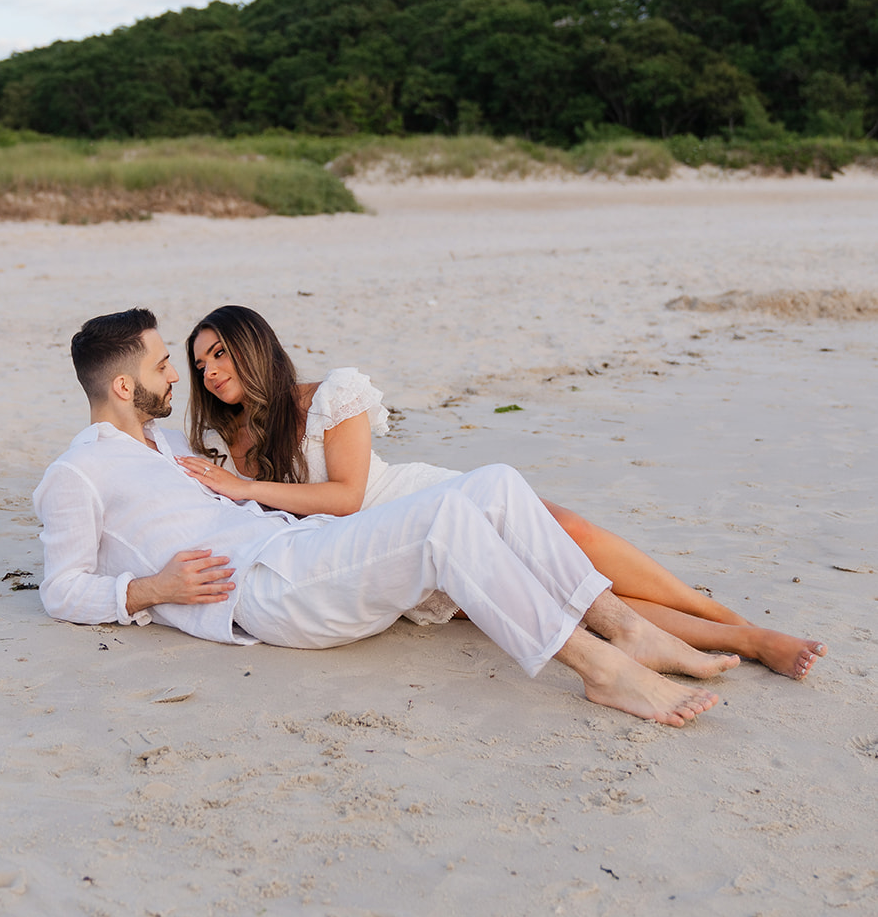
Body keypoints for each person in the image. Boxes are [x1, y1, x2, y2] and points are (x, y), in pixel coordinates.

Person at [36, 307, 736, 728]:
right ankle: (597, 668)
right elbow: (61, 585)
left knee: (493, 483)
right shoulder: (77, 472)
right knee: (444, 524)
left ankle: (626, 630)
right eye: (165, 365)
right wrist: (151, 591)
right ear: (125, 385)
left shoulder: (164, 444)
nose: (177, 377)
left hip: (306, 550)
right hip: (264, 589)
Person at [179, 305, 825, 681]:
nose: (209, 371)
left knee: (566, 535)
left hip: (408, 497)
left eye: (218, 354)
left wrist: (246, 486)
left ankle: (734, 626)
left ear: (252, 346)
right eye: (200, 363)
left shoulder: (327, 397)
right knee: (554, 592)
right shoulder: (233, 445)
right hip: (380, 555)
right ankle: (738, 640)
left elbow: (349, 493)